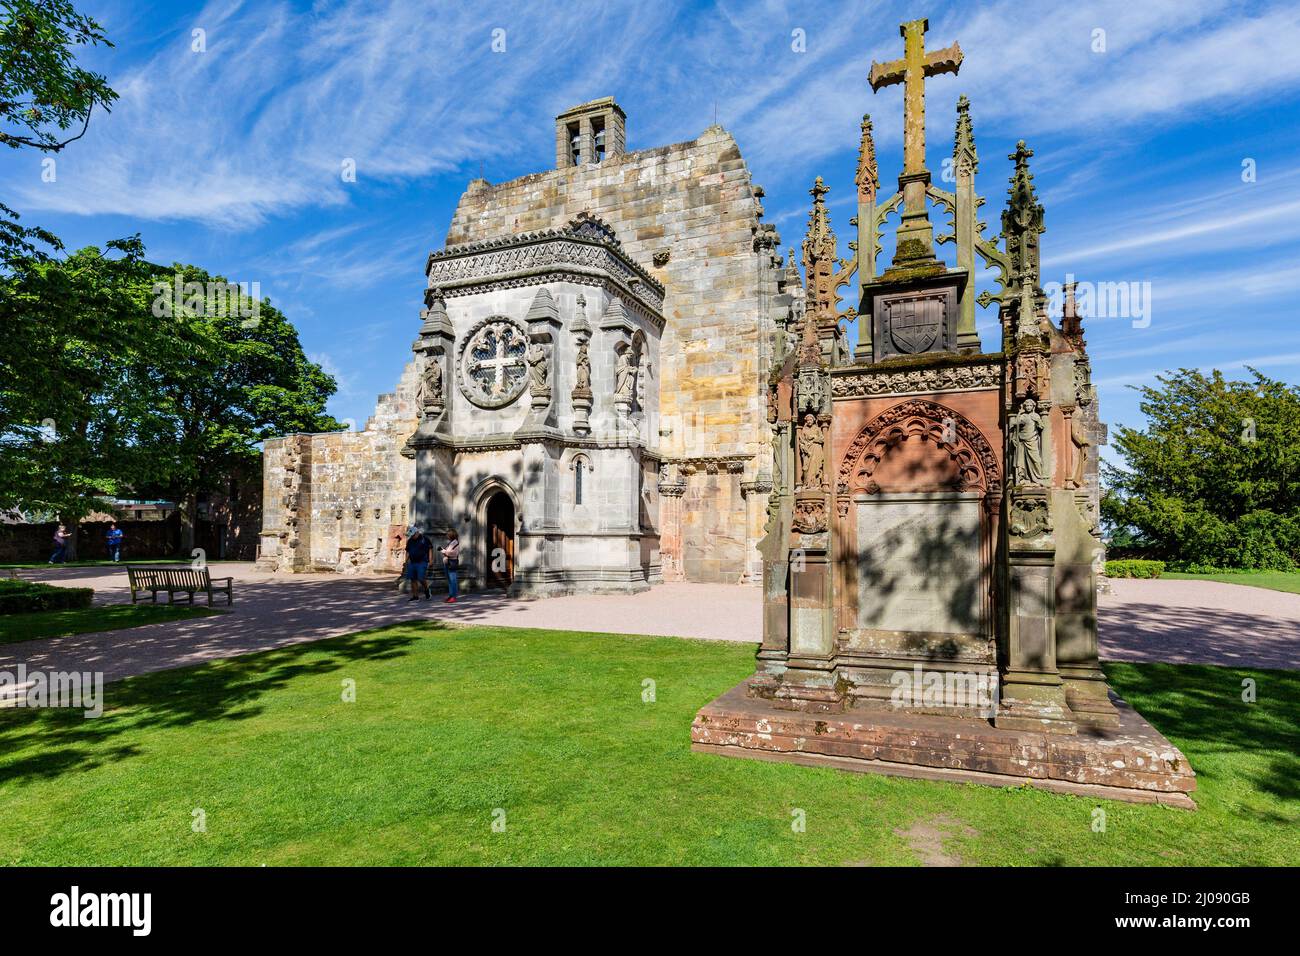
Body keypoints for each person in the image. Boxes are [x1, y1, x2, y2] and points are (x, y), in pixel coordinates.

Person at [404, 526, 433, 601]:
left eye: (413, 535)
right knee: (413, 579)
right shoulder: (410, 540)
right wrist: (406, 560)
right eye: (411, 535)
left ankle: (427, 589)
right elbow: (407, 551)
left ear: (417, 533)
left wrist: (430, 560)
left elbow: (430, 549)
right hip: (412, 562)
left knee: (421, 578)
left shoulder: (424, 539)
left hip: (422, 561)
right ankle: (415, 596)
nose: (412, 536)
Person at [440, 529, 461, 603]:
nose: (447, 536)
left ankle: (453, 596)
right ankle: (451, 595)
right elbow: (448, 552)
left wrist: (444, 551)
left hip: (451, 563)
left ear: (451, 535)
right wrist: (444, 551)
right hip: (447, 563)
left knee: (453, 580)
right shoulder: (451, 543)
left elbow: (453, 553)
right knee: (449, 580)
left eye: (448, 534)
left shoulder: (455, 543)